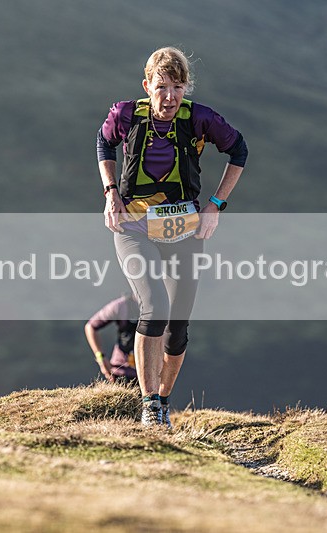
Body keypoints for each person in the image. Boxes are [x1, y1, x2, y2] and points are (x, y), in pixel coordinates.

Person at [96, 46, 248, 428]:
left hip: (183, 229)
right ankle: (148, 404)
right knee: (154, 307)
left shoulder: (199, 119)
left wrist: (215, 205)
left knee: (178, 324)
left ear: (186, 88)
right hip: (132, 226)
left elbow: (239, 149)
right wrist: (111, 191)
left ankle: (163, 400)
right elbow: (103, 142)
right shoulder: (127, 114)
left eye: (178, 87)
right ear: (146, 85)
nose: (169, 97)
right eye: (161, 87)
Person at [84, 293, 139, 385]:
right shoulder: (122, 306)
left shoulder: (161, 307)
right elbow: (90, 326)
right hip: (122, 371)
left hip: (153, 374)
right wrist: (101, 357)